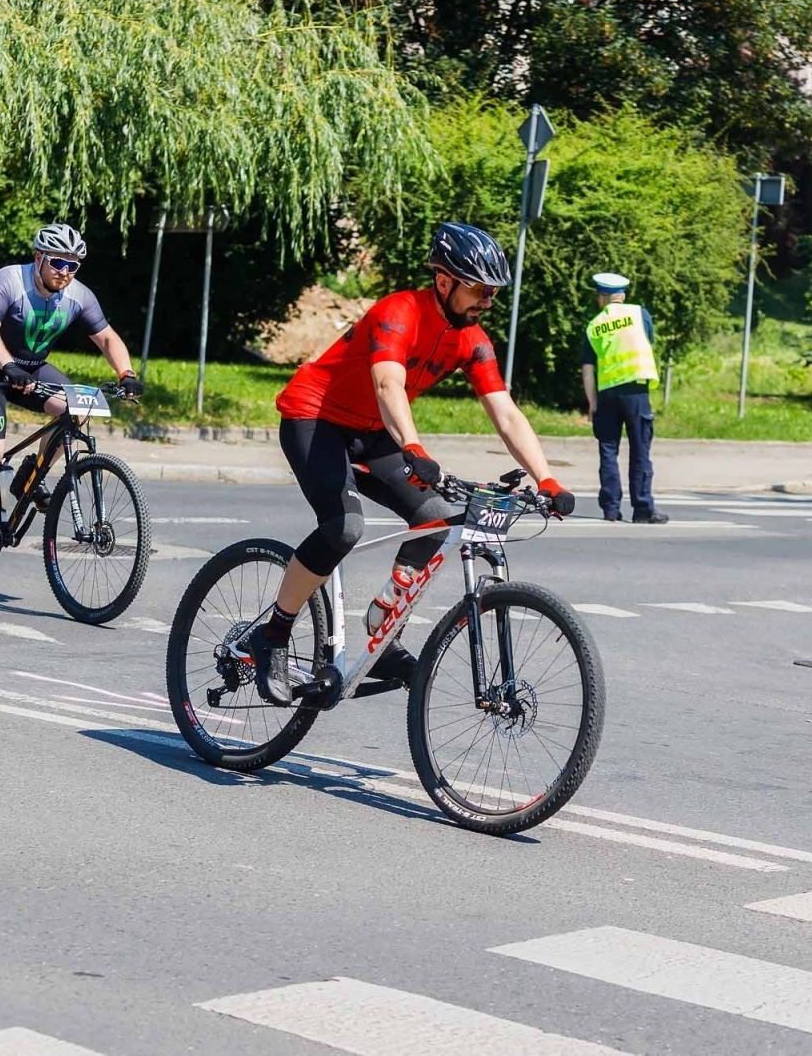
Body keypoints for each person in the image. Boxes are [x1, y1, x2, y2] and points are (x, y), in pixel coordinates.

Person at [247, 221, 578, 705]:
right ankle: (272, 635)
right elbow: (388, 385)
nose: (488, 300)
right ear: (445, 282)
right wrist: (415, 447)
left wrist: (546, 478)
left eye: (493, 292)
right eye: (480, 290)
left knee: (436, 518)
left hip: (373, 431)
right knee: (342, 529)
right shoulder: (399, 312)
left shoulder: (472, 339)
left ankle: (382, 632)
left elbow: (505, 411)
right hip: (314, 418)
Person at [0, 223, 142, 575]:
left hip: (30, 368)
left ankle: (30, 477)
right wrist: (7, 365)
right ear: (38, 258)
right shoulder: (9, 280)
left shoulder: (79, 295)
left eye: (72, 266)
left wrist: (126, 374)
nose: (64, 272)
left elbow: (108, 338)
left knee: (77, 411)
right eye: (57, 263)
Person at [582, 272, 667, 524]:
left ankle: (611, 509)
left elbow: (587, 369)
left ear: (603, 298)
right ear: (623, 295)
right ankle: (642, 509)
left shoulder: (594, 325)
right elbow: (648, 343)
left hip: (607, 393)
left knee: (608, 450)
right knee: (640, 450)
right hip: (636, 392)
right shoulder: (639, 314)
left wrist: (592, 403)